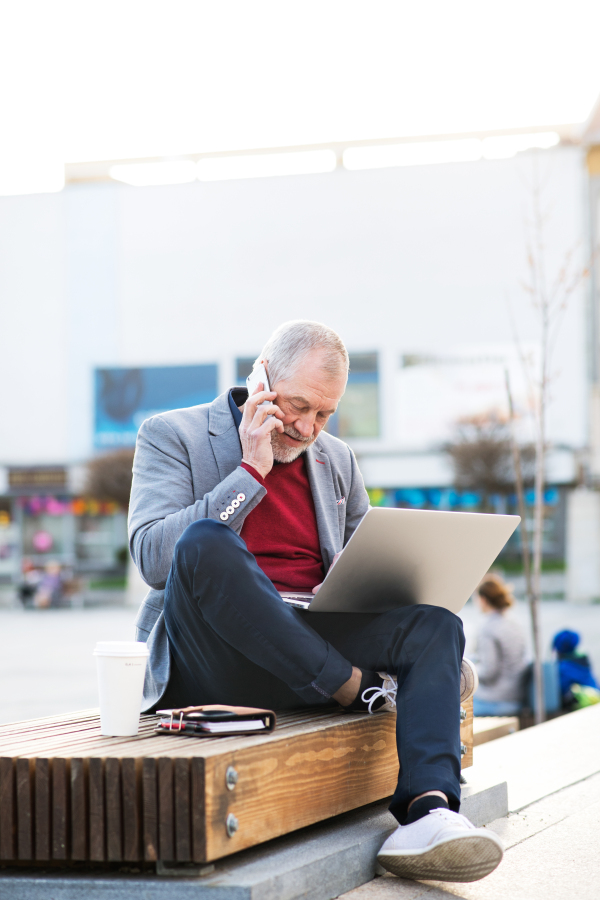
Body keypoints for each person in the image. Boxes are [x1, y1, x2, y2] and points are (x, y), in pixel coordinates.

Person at [129, 320, 503, 883]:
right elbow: (156, 560)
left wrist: (411, 593)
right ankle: (360, 685)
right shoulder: (171, 434)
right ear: (261, 378)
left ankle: (429, 813)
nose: (307, 427)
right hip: (213, 658)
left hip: (306, 644)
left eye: (324, 414)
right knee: (205, 543)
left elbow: (364, 571)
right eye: (296, 406)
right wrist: (250, 471)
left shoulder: (336, 460)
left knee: (434, 626)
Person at [472, 574, 527, 717]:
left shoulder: (488, 629)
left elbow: (489, 672)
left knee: (456, 710)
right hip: (517, 695)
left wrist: (469, 670)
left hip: (496, 700)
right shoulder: (514, 623)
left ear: (483, 600)